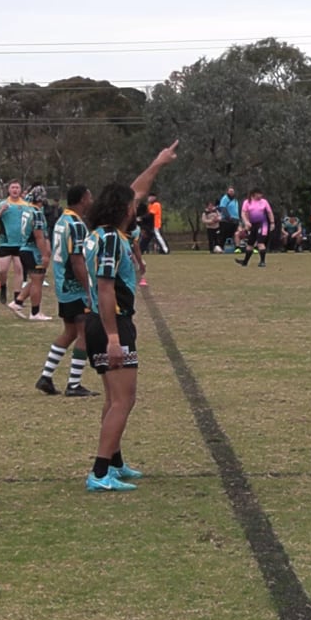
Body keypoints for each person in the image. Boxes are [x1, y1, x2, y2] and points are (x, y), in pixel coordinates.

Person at [85, 140, 179, 492]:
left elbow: (136, 190)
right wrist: (113, 337)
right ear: (120, 209)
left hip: (100, 320)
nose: (134, 207)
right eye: (130, 205)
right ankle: (99, 472)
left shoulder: (101, 234)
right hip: (113, 322)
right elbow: (106, 288)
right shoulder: (111, 240)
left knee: (113, 399)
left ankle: (115, 461)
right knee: (125, 399)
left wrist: (157, 162)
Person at [37, 184, 96, 397]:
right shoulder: (76, 225)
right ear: (82, 199)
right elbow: (77, 260)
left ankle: (46, 376)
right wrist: (89, 289)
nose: (91, 200)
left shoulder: (62, 220)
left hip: (63, 285)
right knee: (83, 333)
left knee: (70, 331)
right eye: (89, 196)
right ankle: (74, 384)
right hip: (75, 287)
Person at [0, 181, 35, 312]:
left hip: (21, 243)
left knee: (19, 270)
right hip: (6, 242)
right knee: (2, 270)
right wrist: (1, 211)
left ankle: (17, 297)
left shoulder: (26, 205)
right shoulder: (2, 204)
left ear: (20, 190)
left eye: (17, 187)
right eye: (13, 187)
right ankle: (3, 287)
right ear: (8, 190)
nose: (15, 190)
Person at [15, 187, 52, 320]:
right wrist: (45, 254)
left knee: (37, 279)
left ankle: (18, 301)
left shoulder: (27, 210)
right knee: (38, 281)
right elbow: (38, 236)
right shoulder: (36, 213)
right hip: (32, 250)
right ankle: (35, 312)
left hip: (25, 248)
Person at [238, 189, 274, 267]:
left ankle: (262, 261)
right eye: (259, 194)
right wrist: (246, 222)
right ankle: (245, 261)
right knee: (250, 243)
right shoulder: (247, 202)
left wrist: (272, 222)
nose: (261, 196)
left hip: (262, 224)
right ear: (254, 194)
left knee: (260, 242)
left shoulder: (264, 202)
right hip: (252, 224)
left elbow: (269, 212)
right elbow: (243, 213)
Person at [217, 185, 240, 253]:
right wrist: (228, 217)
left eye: (232, 191)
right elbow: (222, 208)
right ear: (227, 191)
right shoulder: (225, 198)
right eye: (230, 191)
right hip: (227, 221)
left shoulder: (235, 200)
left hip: (235, 220)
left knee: (233, 234)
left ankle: (235, 248)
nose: (231, 192)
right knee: (224, 235)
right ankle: (220, 248)